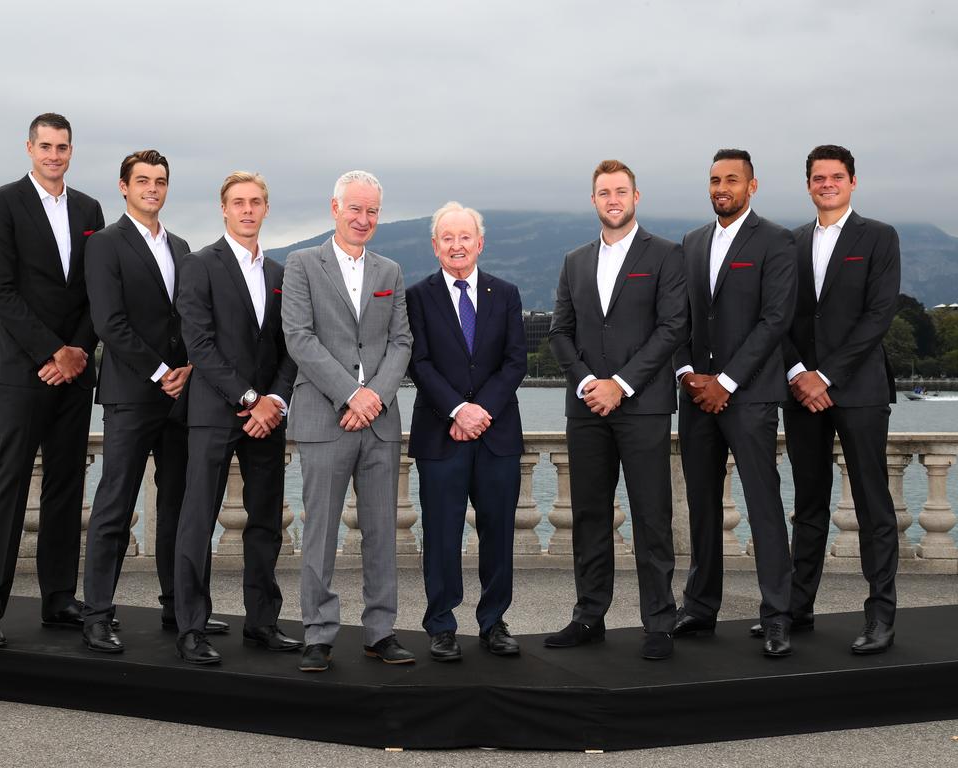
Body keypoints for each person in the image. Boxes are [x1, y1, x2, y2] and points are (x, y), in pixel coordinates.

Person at [81, 150, 228, 653]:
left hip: (182, 396)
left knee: (178, 505)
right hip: (131, 394)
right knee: (114, 505)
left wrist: (186, 368)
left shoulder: (183, 246)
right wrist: (161, 370)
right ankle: (98, 613)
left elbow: (189, 317)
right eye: (142, 180)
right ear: (124, 187)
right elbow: (108, 322)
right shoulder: (104, 244)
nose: (152, 188)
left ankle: (179, 606)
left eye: (160, 181)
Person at [757, 144, 900, 654]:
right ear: (808, 184)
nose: (827, 184)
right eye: (818, 178)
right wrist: (799, 372)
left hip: (859, 391)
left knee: (873, 505)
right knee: (810, 505)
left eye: (836, 177)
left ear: (852, 182)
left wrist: (827, 377)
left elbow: (878, 316)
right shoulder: (788, 243)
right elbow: (777, 317)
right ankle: (798, 607)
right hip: (800, 393)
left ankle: (881, 615)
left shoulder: (879, 237)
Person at [0, 113, 104, 646]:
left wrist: (76, 351)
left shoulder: (89, 208)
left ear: (72, 151)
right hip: (24, 366)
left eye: (62, 147)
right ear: (30, 148)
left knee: (68, 482)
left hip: (75, 366)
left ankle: (58, 597)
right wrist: (53, 351)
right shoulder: (1, 202)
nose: (54, 155)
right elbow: (0, 291)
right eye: (45, 146)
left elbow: (96, 288)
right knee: (9, 480)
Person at [545, 160, 688, 660]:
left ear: (636, 197)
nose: (613, 198)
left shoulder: (666, 255)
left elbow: (671, 329)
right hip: (586, 408)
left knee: (652, 515)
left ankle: (659, 623)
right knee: (588, 515)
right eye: (604, 191)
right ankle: (589, 616)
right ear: (593, 201)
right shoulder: (574, 261)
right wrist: (589, 383)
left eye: (620, 191)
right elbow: (560, 331)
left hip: (643, 406)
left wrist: (620, 385)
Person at [283, 170, 413, 673]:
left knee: (383, 531)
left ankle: (381, 630)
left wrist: (374, 397)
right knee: (319, 532)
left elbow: (401, 341)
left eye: (372, 211)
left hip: (379, 421)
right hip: (325, 416)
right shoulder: (300, 264)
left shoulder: (391, 271)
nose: (363, 219)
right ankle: (317, 632)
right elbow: (299, 338)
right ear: (334, 208)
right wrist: (350, 394)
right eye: (355, 209)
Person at [672, 149, 797, 657]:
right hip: (696, 395)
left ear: (752, 185)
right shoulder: (692, 242)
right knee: (701, 506)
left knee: (763, 506)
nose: (721, 187)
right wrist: (686, 374)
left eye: (732, 179)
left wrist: (726, 381)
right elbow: (676, 318)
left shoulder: (776, 241)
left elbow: (775, 320)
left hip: (749, 396)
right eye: (714, 180)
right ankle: (701, 607)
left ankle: (776, 614)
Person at [172, 172, 299, 664]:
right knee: (197, 519)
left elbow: (291, 347)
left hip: (269, 416)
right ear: (223, 209)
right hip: (214, 412)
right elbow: (199, 344)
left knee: (266, 522)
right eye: (238, 202)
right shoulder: (199, 265)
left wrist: (276, 401)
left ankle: (263, 623)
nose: (247, 210)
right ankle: (191, 627)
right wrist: (251, 398)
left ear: (266, 209)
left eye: (256, 202)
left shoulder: (281, 274)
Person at [405, 202, 527, 661]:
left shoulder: (507, 293)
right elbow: (419, 362)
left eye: (465, 237)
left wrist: (481, 411)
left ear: (480, 242)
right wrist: (458, 410)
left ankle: (494, 622)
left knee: (498, 533)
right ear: (435, 245)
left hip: (497, 435)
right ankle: (441, 625)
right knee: (441, 533)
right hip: (441, 435)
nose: (457, 245)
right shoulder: (417, 296)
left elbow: (516, 359)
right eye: (447, 238)